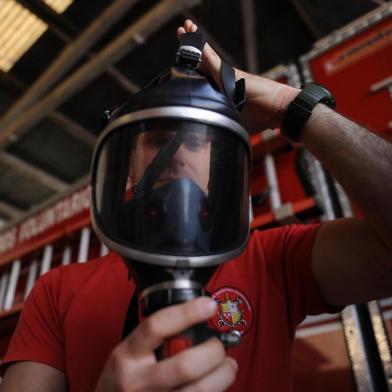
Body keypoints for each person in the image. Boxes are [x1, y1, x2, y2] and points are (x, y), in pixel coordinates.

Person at [1, 19, 392, 392]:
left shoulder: (273, 260)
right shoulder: (57, 291)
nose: (175, 156)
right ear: (130, 164)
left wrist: (287, 104)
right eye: (157, 141)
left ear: (218, 162)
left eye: (193, 142)